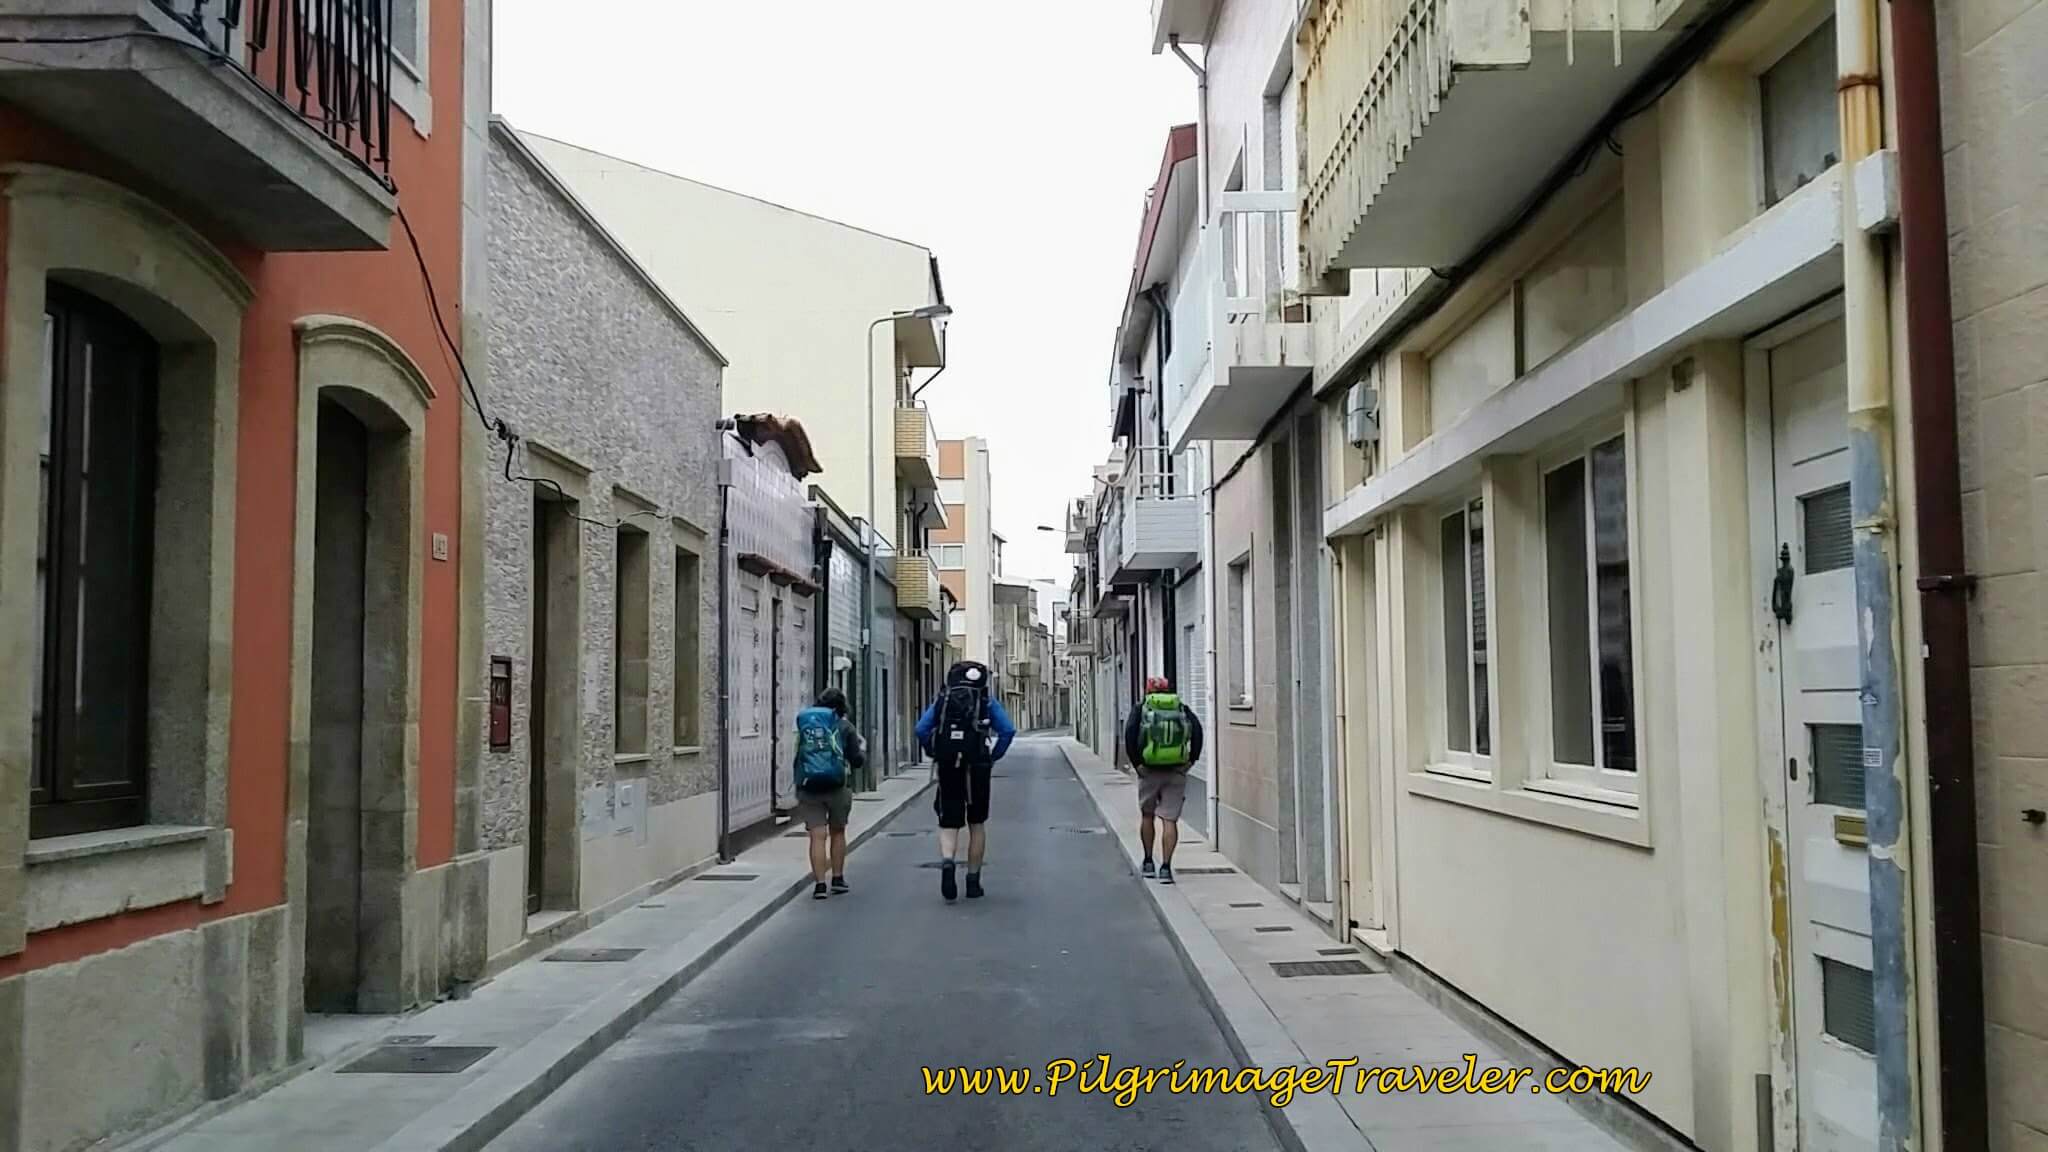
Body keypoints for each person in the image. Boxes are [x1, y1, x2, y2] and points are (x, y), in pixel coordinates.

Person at [916, 661, 1016, 901]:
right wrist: (992, 756)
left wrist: (934, 751)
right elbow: (1008, 730)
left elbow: (921, 729)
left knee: (949, 821)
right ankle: (973, 881)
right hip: (978, 766)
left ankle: (948, 862)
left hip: (949, 764)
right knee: (977, 823)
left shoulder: (943, 700)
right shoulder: (986, 702)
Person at [1123, 677, 1203, 884]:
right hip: (1176, 771)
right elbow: (1198, 732)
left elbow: (1130, 735)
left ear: (1147, 690)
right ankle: (1166, 867)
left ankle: (1148, 861)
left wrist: (1137, 764)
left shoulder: (1141, 709)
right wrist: (1191, 761)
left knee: (1147, 816)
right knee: (1170, 820)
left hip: (1148, 771)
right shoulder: (1181, 708)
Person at [793, 688, 865, 899]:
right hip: (837, 786)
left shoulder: (806, 725)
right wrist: (862, 751)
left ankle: (819, 885)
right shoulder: (844, 726)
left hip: (808, 786)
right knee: (837, 832)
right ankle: (838, 878)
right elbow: (856, 760)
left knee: (816, 836)